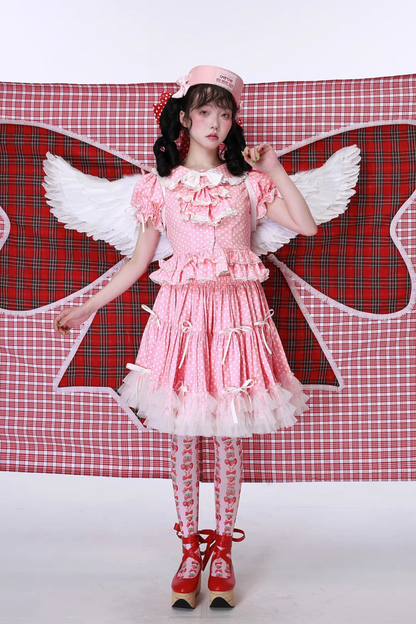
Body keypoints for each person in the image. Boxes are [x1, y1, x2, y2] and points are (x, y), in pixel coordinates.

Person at [54, 65, 317, 610]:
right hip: (181, 324)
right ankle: (189, 551)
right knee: (181, 437)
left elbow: (306, 225)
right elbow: (137, 264)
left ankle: (222, 551)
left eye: (225, 113)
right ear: (184, 118)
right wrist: (87, 306)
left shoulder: (249, 183)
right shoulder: (159, 188)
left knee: (227, 436)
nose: (216, 123)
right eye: (205, 111)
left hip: (236, 321)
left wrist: (274, 166)